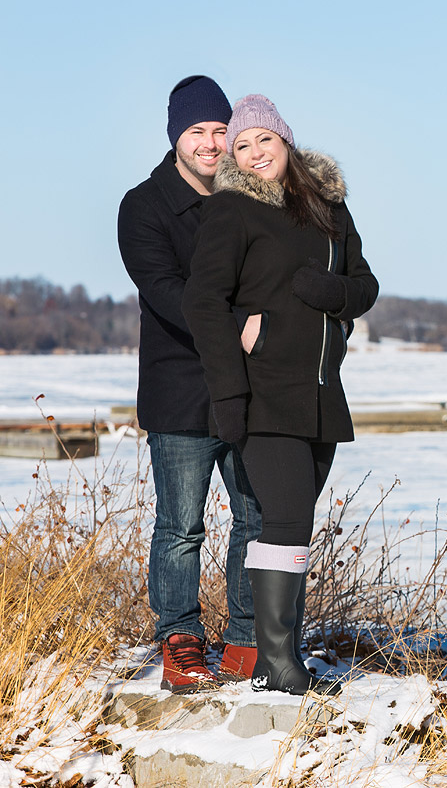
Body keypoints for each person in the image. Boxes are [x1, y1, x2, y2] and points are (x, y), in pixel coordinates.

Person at [182, 94, 379, 695]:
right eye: (241, 146)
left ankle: (278, 652)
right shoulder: (234, 211)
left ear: (285, 141)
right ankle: (277, 661)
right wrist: (231, 393)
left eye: (262, 139)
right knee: (288, 516)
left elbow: (364, 286)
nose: (253, 151)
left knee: (289, 522)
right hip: (263, 389)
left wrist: (328, 293)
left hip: (321, 390)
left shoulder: (329, 209)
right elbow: (202, 301)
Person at [117, 76, 264, 694]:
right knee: (181, 524)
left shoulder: (253, 198)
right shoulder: (144, 206)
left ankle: (249, 637)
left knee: (256, 515)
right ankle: (179, 637)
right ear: (176, 137)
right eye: (197, 132)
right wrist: (240, 326)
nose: (210, 143)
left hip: (251, 386)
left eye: (219, 131)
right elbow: (168, 294)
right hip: (180, 389)